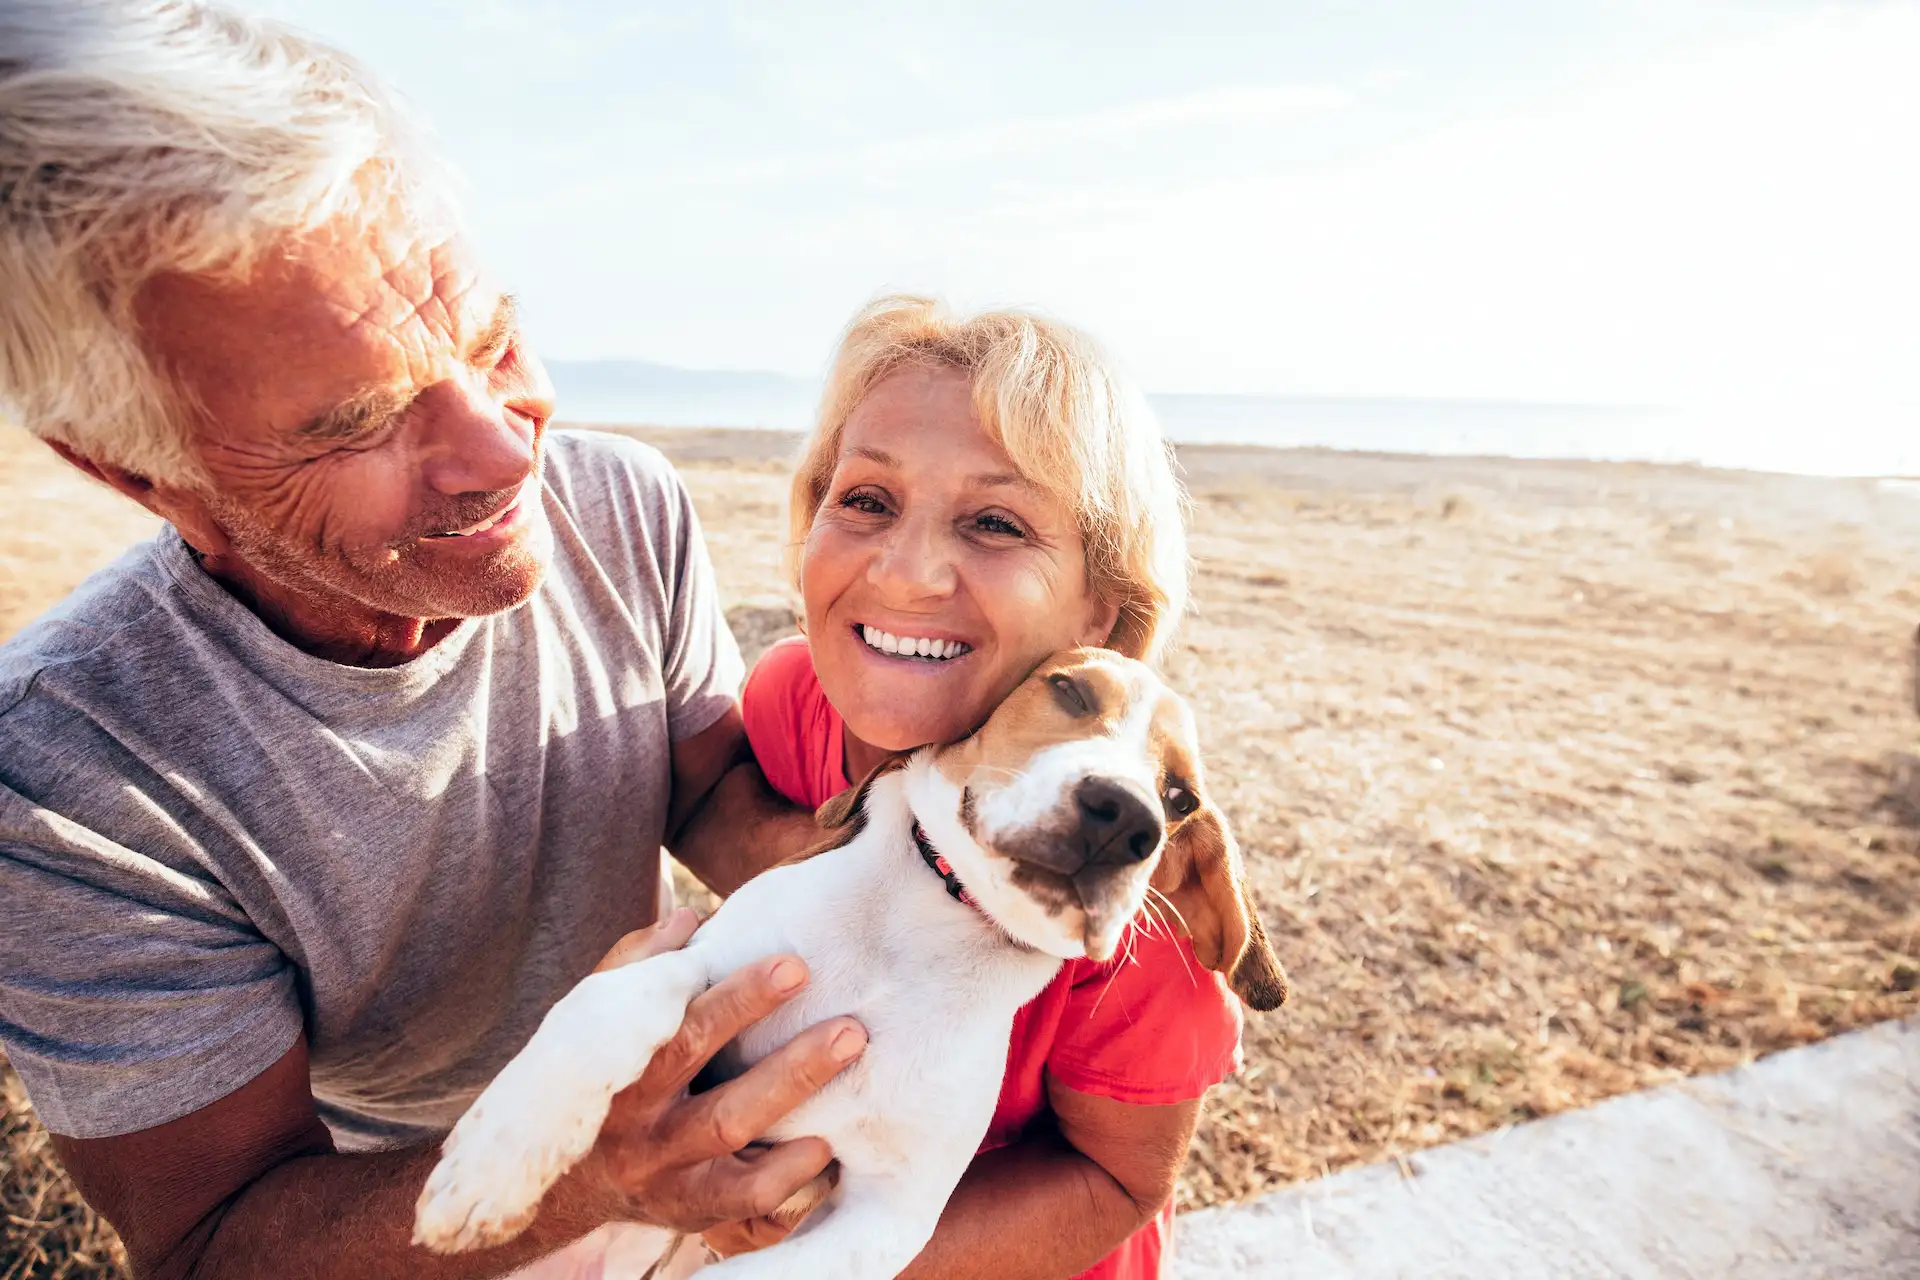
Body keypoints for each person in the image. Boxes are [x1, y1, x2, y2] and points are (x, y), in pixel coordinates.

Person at [0, 4, 863, 1276]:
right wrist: (586, 1168)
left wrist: (863, 851)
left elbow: (703, 783)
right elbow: (214, 1242)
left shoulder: (625, 500)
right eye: (359, 421)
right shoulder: (64, 780)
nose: (511, 450)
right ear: (137, 470)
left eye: (489, 334)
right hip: (413, 1219)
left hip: (671, 1118)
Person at [724, 296, 1244, 1278]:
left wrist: (804, 1248)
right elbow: (711, 787)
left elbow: (1117, 1177)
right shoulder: (798, 700)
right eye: (867, 500)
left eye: (995, 521)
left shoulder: (1124, 859)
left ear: (1105, 608)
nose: (910, 570)